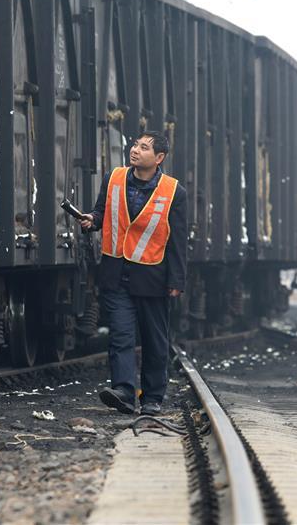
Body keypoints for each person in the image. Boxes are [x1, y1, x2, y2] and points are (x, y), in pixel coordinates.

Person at [79, 130, 187, 416]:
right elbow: (102, 212)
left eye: (144, 147)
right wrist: (92, 220)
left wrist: (177, 280)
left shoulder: (173, 191)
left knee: (154, 340)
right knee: (121, 336)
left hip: (153, 277)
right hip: (117, 273)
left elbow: (178, 241)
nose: (135, 150)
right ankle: (124, 391)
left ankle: (152, 397)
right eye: (135, 144)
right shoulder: (113, 179)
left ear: (159, 158)